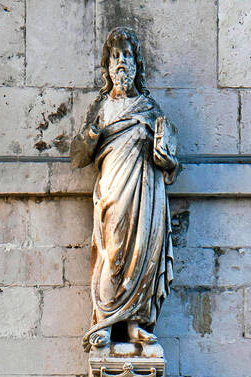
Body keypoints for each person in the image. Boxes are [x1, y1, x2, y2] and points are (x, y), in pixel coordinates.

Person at [71, 26, 179, 352]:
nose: (121, 64)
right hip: (114, 190)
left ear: (136, 66)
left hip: (145, 193)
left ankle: (136, 323)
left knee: (142, 251)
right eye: (115, 57)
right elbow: (78, 155)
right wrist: (91, 134)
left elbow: (170, 158)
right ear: (107, 67)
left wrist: (166, 156)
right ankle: (105, 320)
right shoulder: (102, 109)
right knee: (114, 249)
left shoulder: (149, 109)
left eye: (127, 57)